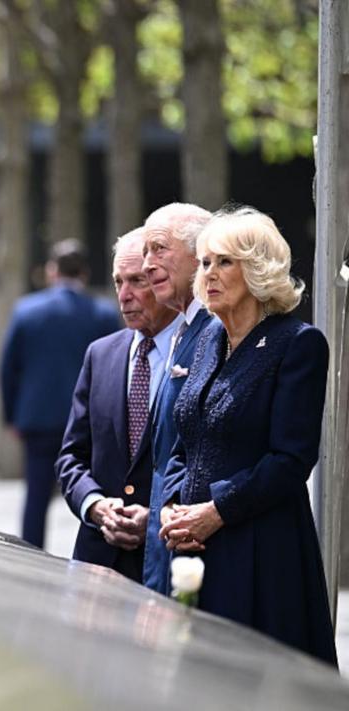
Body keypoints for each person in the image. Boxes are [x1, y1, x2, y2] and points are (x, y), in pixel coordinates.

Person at [159, 205, 338, 666]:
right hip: (195, 548)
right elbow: (184, 440)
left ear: (258, 269)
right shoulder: (206, 341)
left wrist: (217, 510)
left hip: (261, 550)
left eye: (224, 262)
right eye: (204, 263)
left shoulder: (297, 343)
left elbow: (292, 458)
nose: (209, 274)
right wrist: (172, 509)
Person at [55, 228, 179, 582]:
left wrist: (156, 516)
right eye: (117, 282)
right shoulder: (101, 353)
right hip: (97, 562)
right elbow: (71, 456)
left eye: (137, 281)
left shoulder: (200, 350)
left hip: (167, 561)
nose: (124, 296)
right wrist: (94, 505)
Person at [0, 239, 120, 549]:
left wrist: (12, 416)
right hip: (89, 422)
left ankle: (31, 555)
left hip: (37, 418)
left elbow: (8, 369)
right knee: (92, 492)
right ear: (85, 272)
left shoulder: (26, 311)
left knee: (36, 497)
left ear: (52, 271)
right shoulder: (103, 314)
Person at [141, 202, 215, 593]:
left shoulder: (218, 330)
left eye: (160, 249)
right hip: (165, 539)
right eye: (145, 253)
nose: (147, 264)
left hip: (197, 538)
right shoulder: (183, 329)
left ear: (200, 253)